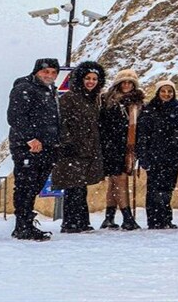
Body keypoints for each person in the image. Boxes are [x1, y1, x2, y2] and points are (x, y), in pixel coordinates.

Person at [6, 57, 62, 241]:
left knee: (35, 185)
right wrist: (30, 138)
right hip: (28, 146)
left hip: (47, 147)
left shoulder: (50, 90)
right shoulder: (24, 88)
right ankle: (23, 225)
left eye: (53, 72)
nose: (49, 75)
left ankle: (25, 222)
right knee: (25, 185)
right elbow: (15, 116)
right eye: (46, 72)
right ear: (36, 72)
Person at [52, 60, 106, 234]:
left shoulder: (93, 100)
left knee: (80, 187)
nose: (91, 82)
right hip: (73, 150)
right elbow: (62, 122)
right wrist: (67, 143)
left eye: (94, 79)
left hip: (87, 150)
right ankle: (71, 222)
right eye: (88, 78)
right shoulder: (69, 98)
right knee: (73, 186)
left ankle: (81, 221)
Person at [98, 69, 145, 230]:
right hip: (112, 146)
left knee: (114, 182)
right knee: (120, 180)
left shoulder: (137, 103)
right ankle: (127, 217)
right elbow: (102, 124)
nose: (126, 85)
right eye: (123, 82)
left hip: (128, 147)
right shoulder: (108, 101)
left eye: (129, 82)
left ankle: (109, 217)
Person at [137, 80, 178, 229]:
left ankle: (166, 218)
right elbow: (143, 135)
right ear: (158, 92)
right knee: (154, 189)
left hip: (172, 155)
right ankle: (154, 219)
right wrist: (143, 155)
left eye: (169, 91)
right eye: (163, 91)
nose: (166, 94)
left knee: (168, 188)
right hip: (155, 155)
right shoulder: (150, 110)